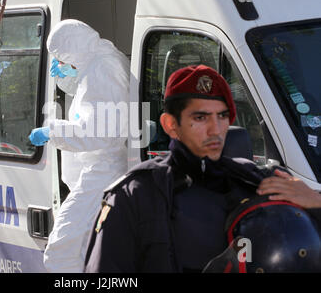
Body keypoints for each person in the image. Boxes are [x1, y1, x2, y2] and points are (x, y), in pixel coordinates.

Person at [84, 64, 321, 273]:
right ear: (170, 124)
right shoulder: (135, 194)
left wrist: (315, 202)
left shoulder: (257, 181)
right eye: (200, 117)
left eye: (222, 116)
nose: (215, 129)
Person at [29, 19, 130, 272]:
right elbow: (91, 96)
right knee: (88, 250)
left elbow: (96, 132)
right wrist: (69, 78)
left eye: (63, 57)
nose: (62, 63)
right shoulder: (101, 59)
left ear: (73, 49)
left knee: (61, 251)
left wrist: (51, 131)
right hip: (100, 170)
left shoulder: (103, 67)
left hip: (103, 172)